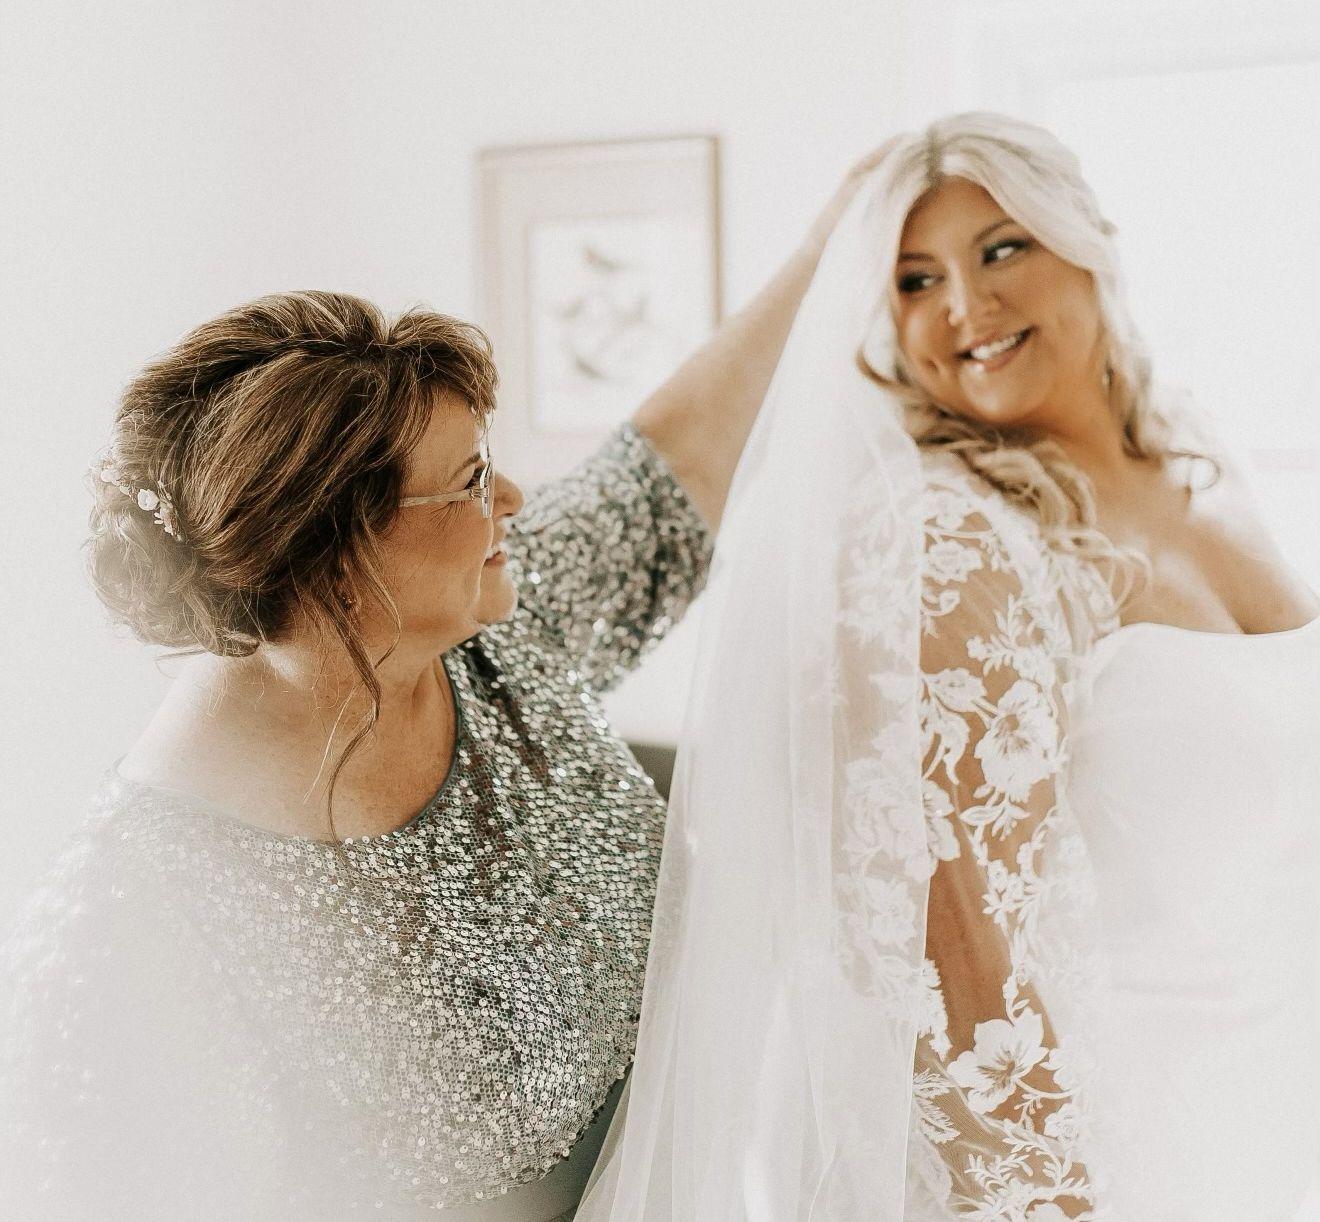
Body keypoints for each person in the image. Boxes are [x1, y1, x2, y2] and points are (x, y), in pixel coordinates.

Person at [0, 149, 891, 1221]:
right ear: (336, 554)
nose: (512, 496)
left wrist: (836, 237)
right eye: (470, 480)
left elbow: (671, 471)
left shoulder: (491, 639)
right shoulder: (132, 925)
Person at [575, 112, 1320, 1221]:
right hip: (1130, 1141)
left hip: (1276, 1090)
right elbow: (940, 927)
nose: (965, 306)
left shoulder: (1196, 453)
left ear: (1090, 241)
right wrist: (1043, 1198)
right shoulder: (943, 538)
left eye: (1001, 249)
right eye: (915, 279)